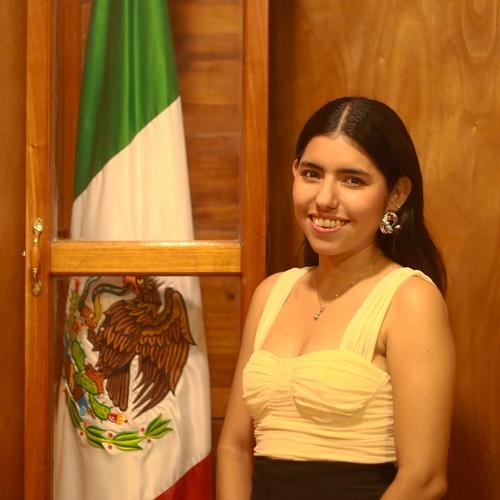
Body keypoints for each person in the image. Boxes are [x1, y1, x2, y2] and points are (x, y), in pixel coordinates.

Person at [216, 97, 455, 499]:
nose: (325, 199)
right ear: (294, 172)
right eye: (312, 174)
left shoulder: (409, 299)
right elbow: (234, 449)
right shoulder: (271, 293)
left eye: (352, 180)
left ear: (396, 194)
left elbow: (424, 479)